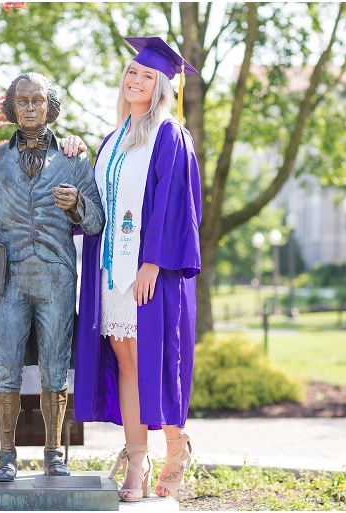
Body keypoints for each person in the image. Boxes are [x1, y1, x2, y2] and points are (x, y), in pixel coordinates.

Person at [0, 72, 105, 482]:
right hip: (10, 280)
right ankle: (6, 454)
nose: (32, 108)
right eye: (24, 101)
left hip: (57, 278)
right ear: (12, 107)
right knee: (7, 369)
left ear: (50, 106)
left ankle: (55, 453)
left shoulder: (73, 160)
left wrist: (76, 206)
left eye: (39, 100)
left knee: (56, 369)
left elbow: (96, 222)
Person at [73, 36, 202, 502]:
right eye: (132, 72)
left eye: (148, 76)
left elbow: (175, 205)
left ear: (162, 87)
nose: (136, 80)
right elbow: (98, 206)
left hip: (151, 273)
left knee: (156, 361)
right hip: (110, 272)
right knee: (126, 360)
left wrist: (152, 263)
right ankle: (136, 457)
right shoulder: (112, 139)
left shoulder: (170, 134)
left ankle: (175, 448)